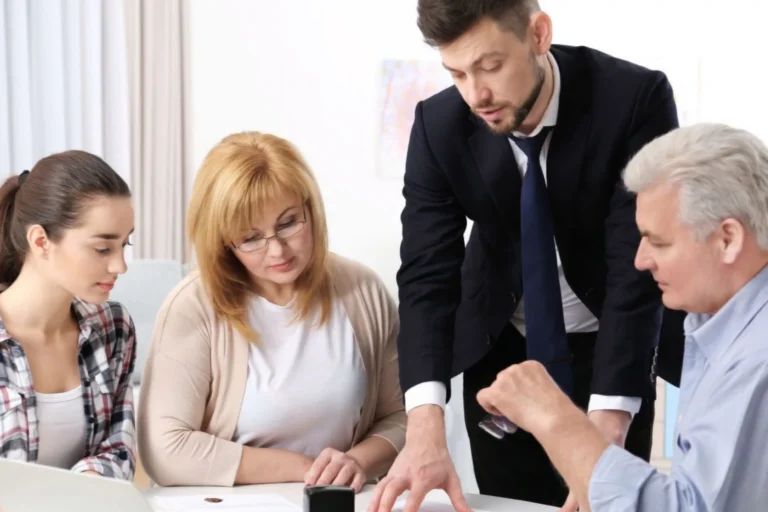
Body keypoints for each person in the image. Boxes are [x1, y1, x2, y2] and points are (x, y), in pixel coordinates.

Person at [369, 1, 687, 510]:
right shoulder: (439, 124)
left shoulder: (633, 100)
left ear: (538, 34)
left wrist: (606, 428)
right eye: (457, 73)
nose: (477, 95)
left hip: (612, 350)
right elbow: (428, 274)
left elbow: (636, 267)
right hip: (502, 355)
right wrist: (423, 425)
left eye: (490, 66)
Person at [476, 122, 768, 511]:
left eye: (659, 242)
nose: (640, 260)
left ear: (727, 239)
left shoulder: (757, 358)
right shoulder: (716, 324)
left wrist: (556, 418)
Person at [137, 131, 406, 490]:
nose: (277, 251)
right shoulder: (193, 307)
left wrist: (355, 462)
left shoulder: (363, 291)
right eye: (250, 239)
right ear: (223, 243)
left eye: (288, 223)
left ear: (311, 209)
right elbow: (165, 451)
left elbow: (402, 418)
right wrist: (306, 469)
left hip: (335, 503)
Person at [0, 151, 137, 480]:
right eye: (102, 249)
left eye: (124, 245)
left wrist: (82, 488)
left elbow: (119, 450)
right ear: (41, 241)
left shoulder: (113, 328)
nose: (119, 266)